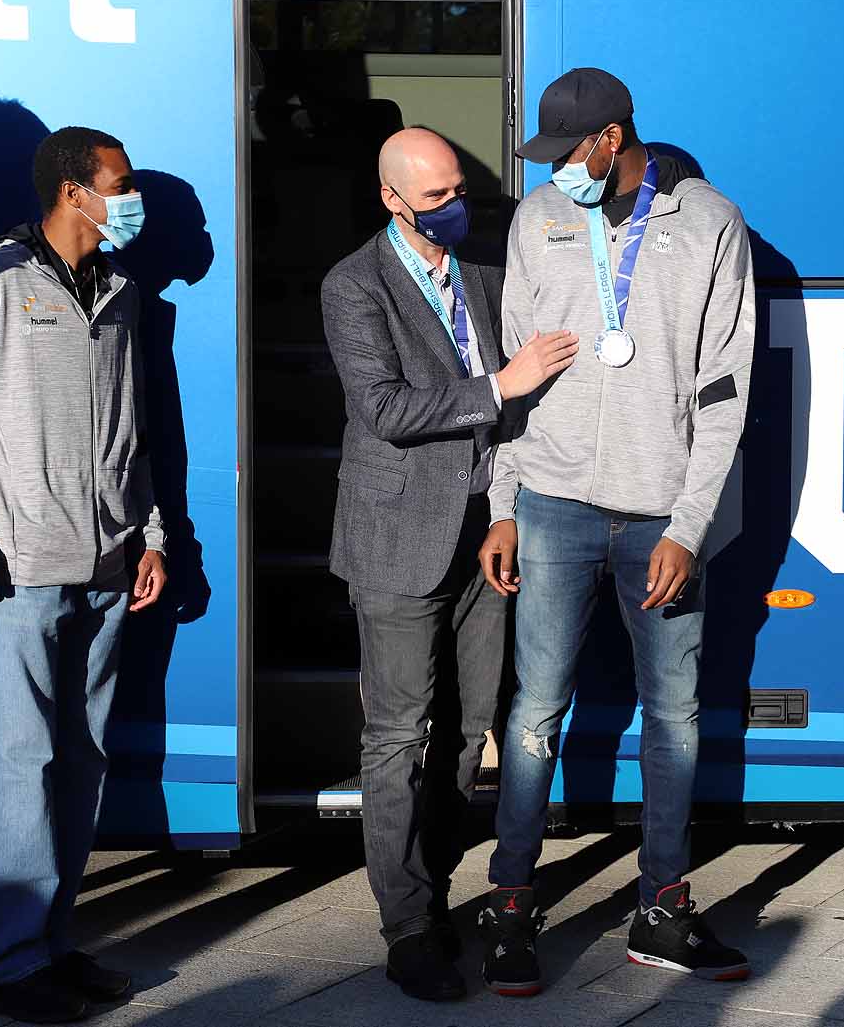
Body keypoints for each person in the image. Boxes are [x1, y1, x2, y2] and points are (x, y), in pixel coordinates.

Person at [477, 68, 755, 995]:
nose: (558, 173)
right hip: (551, 500)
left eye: (569, 154)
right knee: (533, 711)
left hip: (659, 515)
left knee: (673, 717)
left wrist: (689, 524)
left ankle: (662, 910)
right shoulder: (537, 220)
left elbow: (724, 398)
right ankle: (510, 902)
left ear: (612, 136)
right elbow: (514, 379)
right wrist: (505, 503)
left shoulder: (711, 223)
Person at [321, 127, 578, 1002]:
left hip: (487, 530)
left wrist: (505, 505)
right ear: (392, 199)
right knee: (397, 735)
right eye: (434, 197)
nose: (455, 205)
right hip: (397, 536)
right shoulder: (354, 284)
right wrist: (503, 383)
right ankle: (408, 926)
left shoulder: (486, 271)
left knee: (470, 729)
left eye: (458, 188)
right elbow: (386, 407)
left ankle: (426, 880)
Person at [0, 126, 167, 1024]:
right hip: (13, 571)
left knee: (80, 763)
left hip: (106, 566)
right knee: (20, 762)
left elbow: (134, 434)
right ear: (75, 191)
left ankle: (50, 945)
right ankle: (9, 966)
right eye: (122, 183)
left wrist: (152, 537)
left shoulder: (124, 291)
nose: (131, 198)